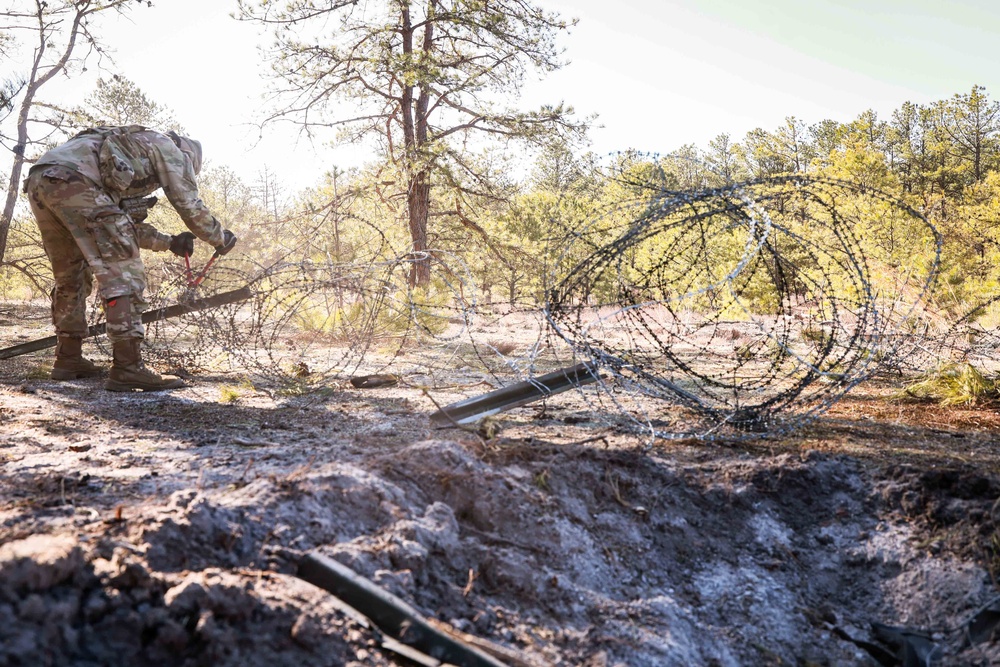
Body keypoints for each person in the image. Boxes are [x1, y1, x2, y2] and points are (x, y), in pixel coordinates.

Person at [23, 125, 237, 391]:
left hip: (41, 180)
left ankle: (68, 359)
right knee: (122, 274)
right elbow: (188, 204)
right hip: (77, 180)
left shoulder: (128, 146)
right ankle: (128, 367)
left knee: (71, 275)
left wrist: (169, 242)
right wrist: (220, 237)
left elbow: (120, 226)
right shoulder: (171, 149)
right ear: (188, 156)